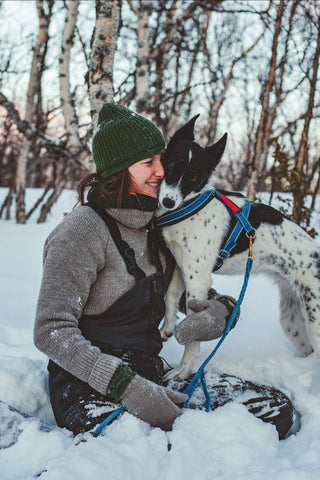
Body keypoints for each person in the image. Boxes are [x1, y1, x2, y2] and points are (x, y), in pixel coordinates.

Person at [34, 103, 299, 439]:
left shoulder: (158, 228)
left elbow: (192, 293)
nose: (161, 171)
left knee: (273, 409)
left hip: (149, 372)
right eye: (149, 162)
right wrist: (126, 387)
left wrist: (220, 311)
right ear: (118, 169)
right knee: (152, 447)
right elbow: (51, 330)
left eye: (161, 159)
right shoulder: (81, 232)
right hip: (87, 387)